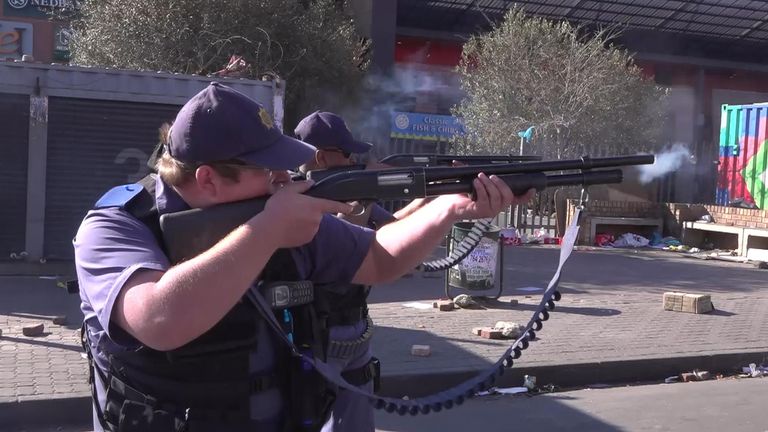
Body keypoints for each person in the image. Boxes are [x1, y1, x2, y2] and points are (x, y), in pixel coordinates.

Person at [73, 82, 533, 432]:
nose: (285, 179)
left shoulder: (274, 214)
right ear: (210, 179)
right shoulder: (116, 227)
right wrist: (267, 228)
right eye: (268, 170)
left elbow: (379, 257)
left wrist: (447, 208)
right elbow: (159, 320)